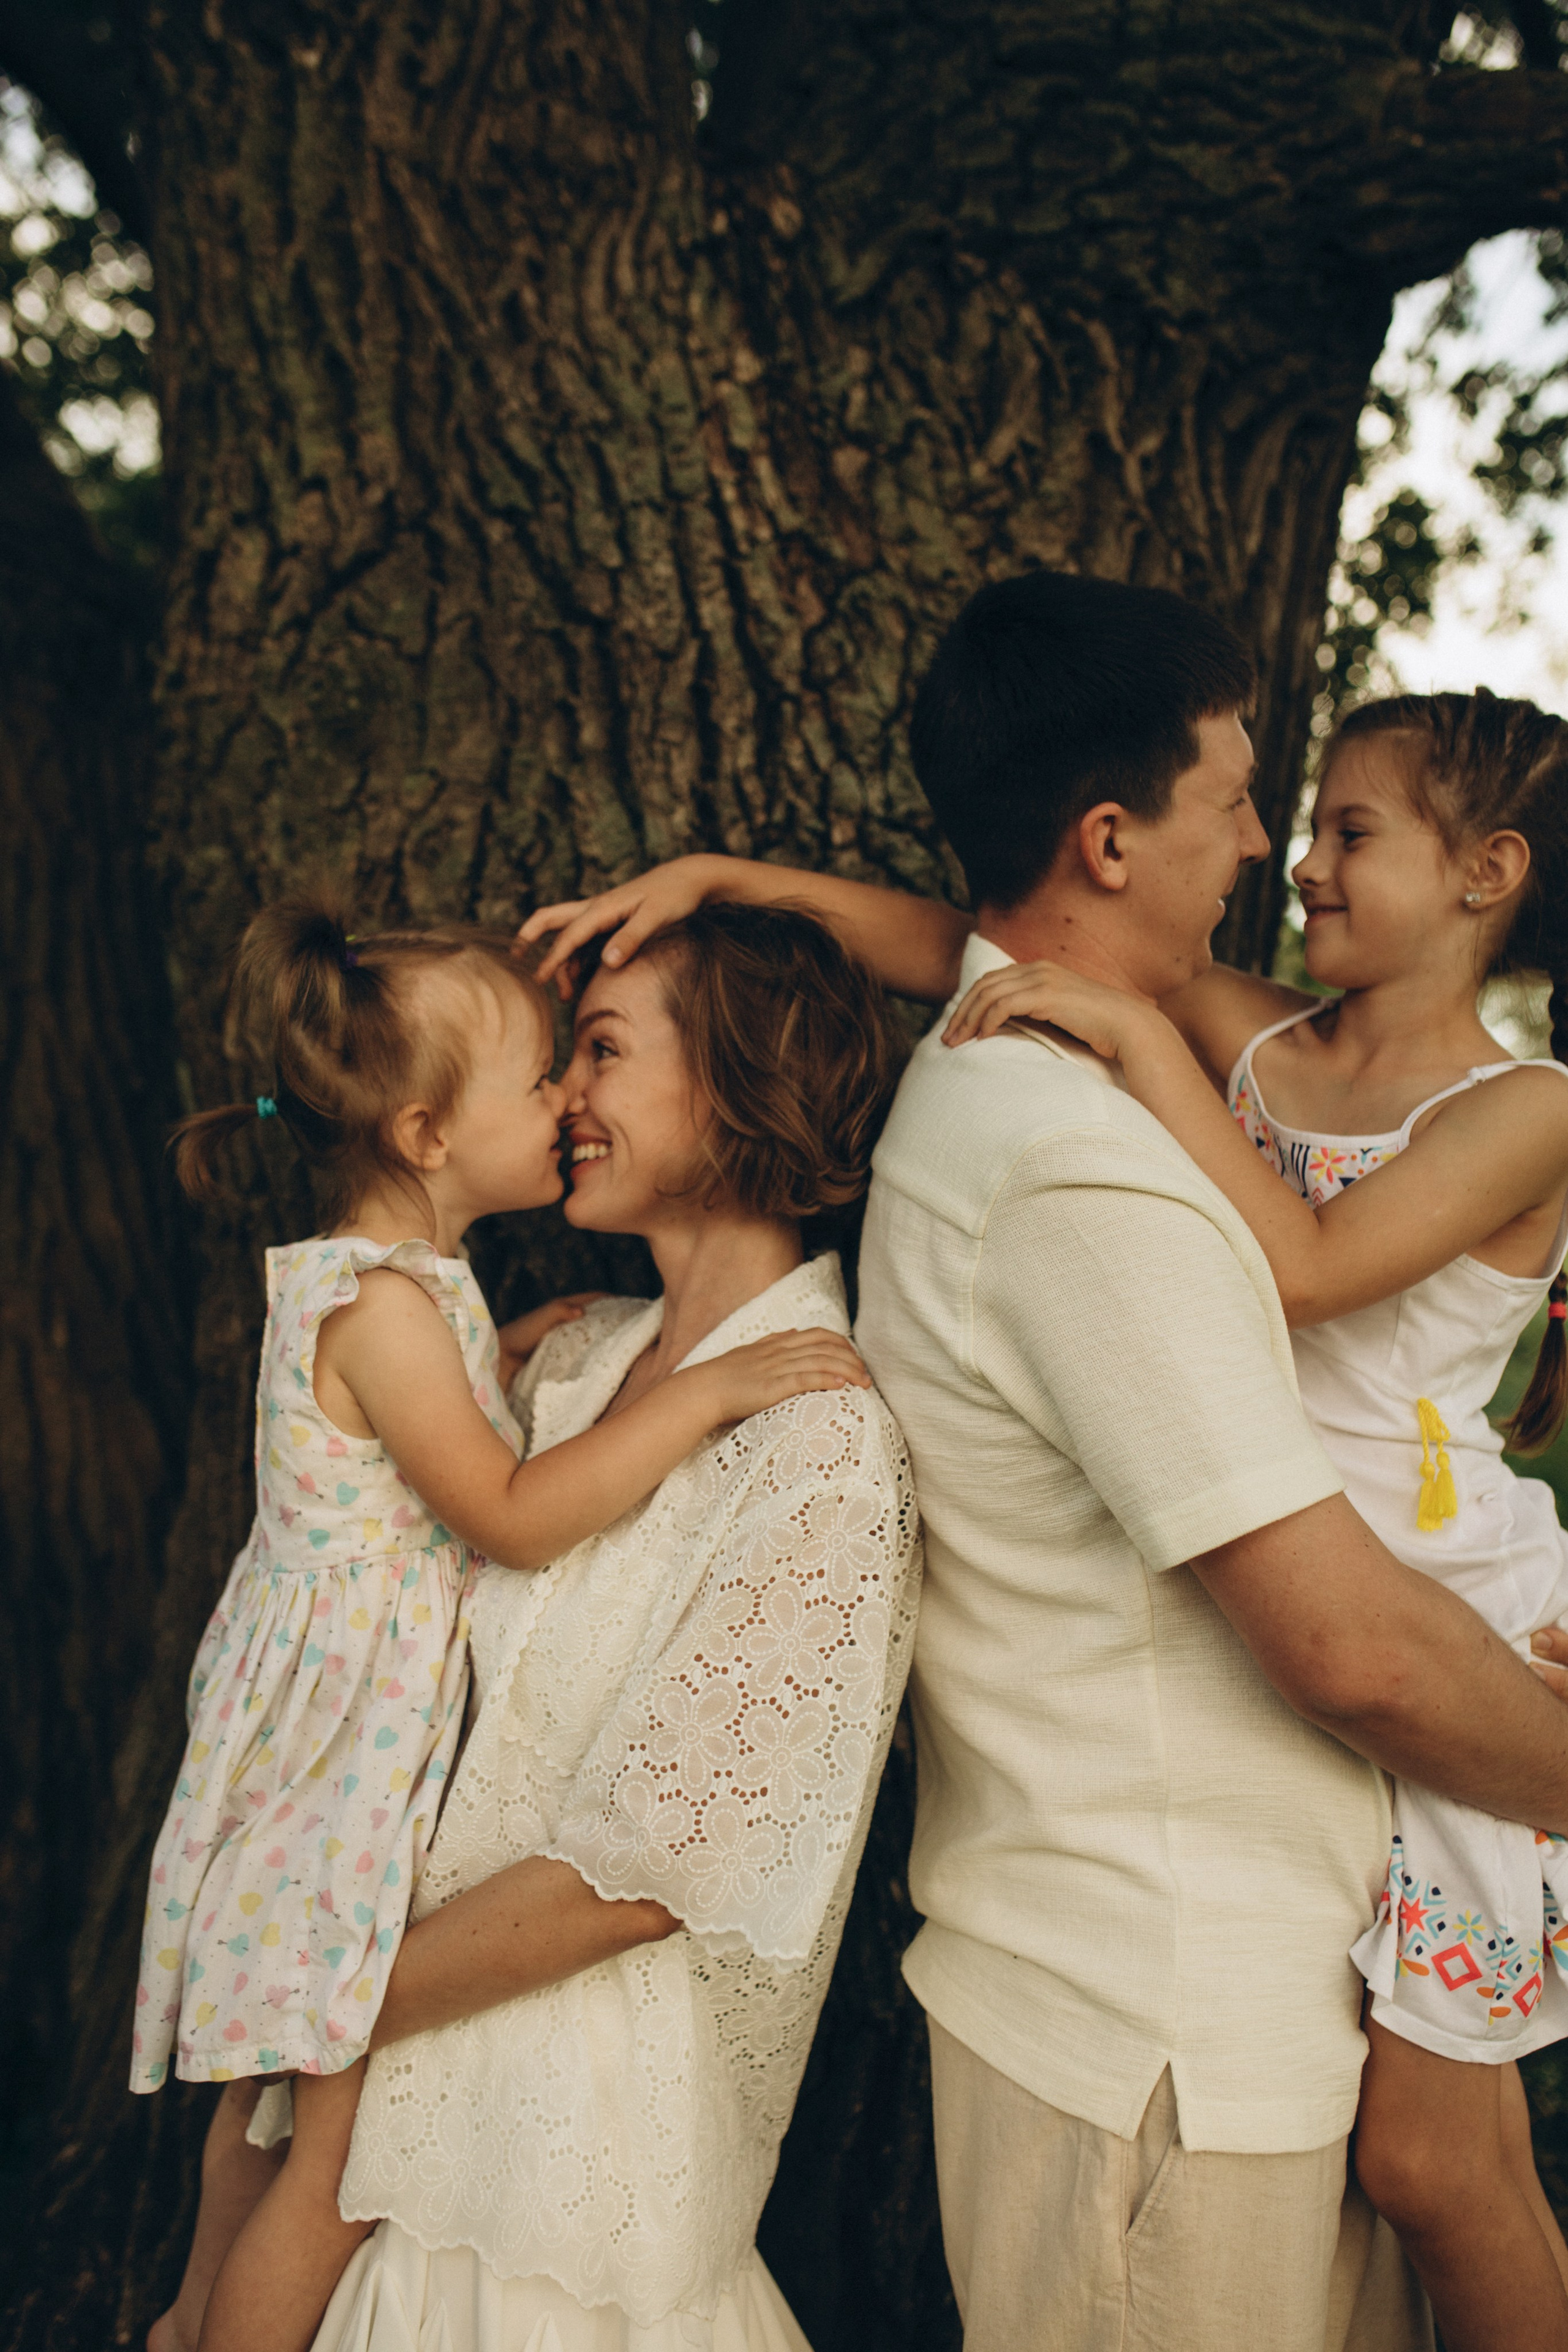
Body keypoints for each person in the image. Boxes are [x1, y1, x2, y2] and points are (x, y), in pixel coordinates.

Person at [519, 571, 1568, 2352]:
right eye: (1247, 799)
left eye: (1328, 822)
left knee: (1461, 2172)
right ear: (1108, 840)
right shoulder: (1082, 1143)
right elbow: (1351, 1648)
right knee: (1454, 2168)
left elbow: (978, 949)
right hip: (1159, 2028)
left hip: (1255, 1952)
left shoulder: (1093, 1072)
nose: (1269, 848)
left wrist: (735, 882)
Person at [140, 900, 872, 2352]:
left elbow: (660, 1858)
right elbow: (511, 1512)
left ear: (730, 1085)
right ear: (425, 1133)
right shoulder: (519, 1342)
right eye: (549, 1067)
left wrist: (502, 1352)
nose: (566, 1100)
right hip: (348, 1807)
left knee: (283, 2132)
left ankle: (187, 2320)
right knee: (304, 2153)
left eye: (596, 1054)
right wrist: (677, 1390)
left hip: (522, 2055)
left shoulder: (807, 1441)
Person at [935, 687, 1568, 2351]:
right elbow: (989, 954)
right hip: (1316, 1589)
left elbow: (1310, 1269)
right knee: (1433, 2141)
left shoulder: (1528, 1108)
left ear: (1487, 871)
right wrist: (741, 886)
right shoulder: (1264, 1039)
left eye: (1351, 831)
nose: (1299, 863)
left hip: (1457, 1631)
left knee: (1432, 2160)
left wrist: (1148, 1046)